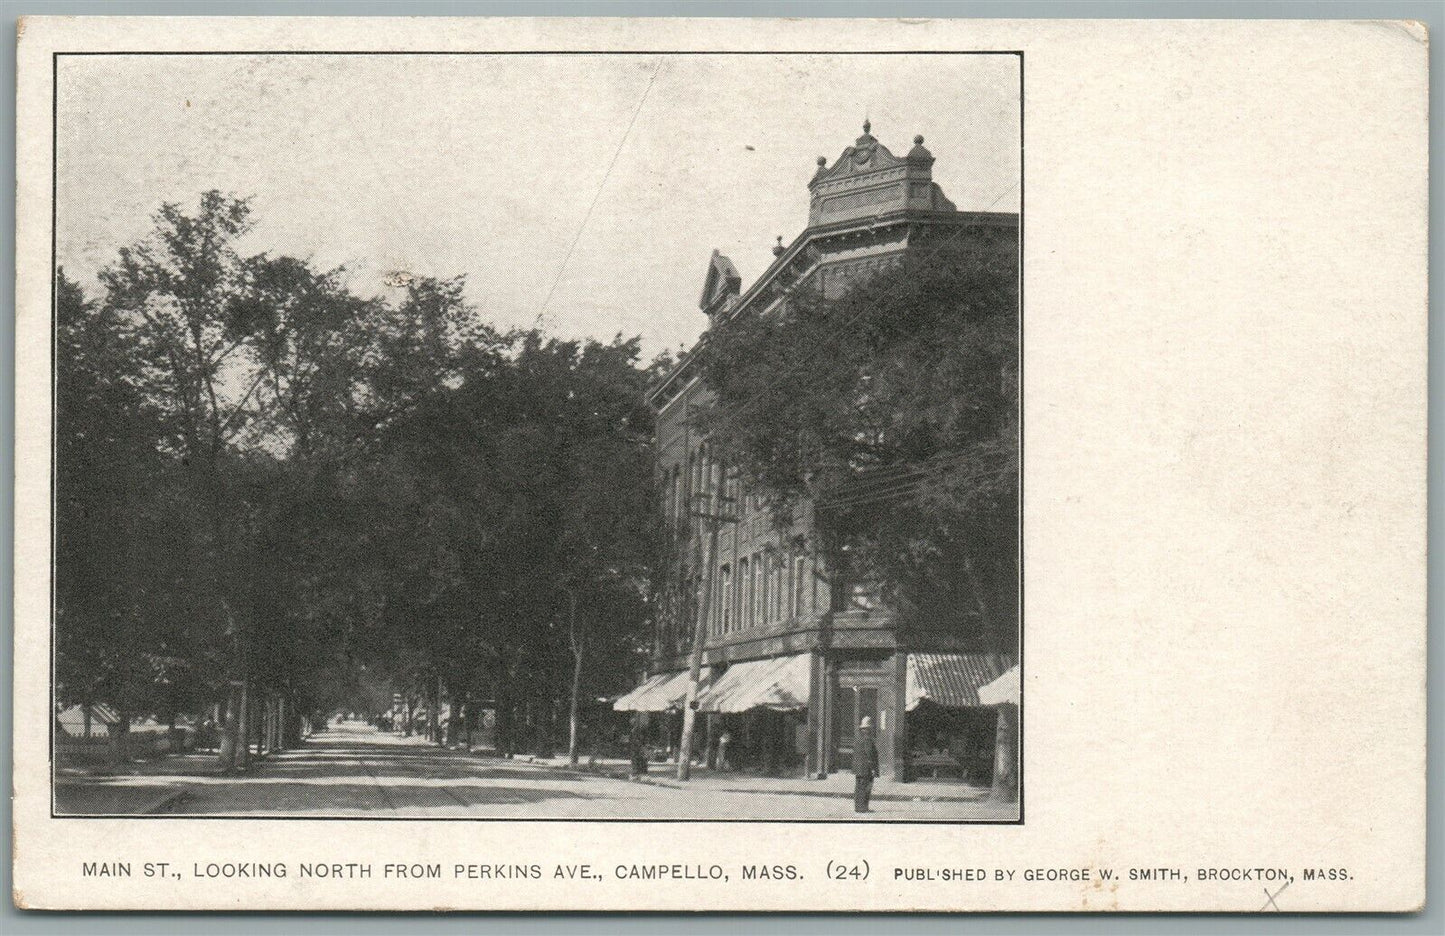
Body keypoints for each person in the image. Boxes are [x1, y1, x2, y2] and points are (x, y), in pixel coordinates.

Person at [853, 716, 880, 813]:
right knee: (866, 788)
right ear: (868, 729)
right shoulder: (868, 739)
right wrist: (873, 768)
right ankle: (864, 808)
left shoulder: (858, 739)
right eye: (870, 728)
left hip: (859, 769)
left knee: (859, 788)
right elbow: (869, 755)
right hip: (866, 769)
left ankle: (858, 807)